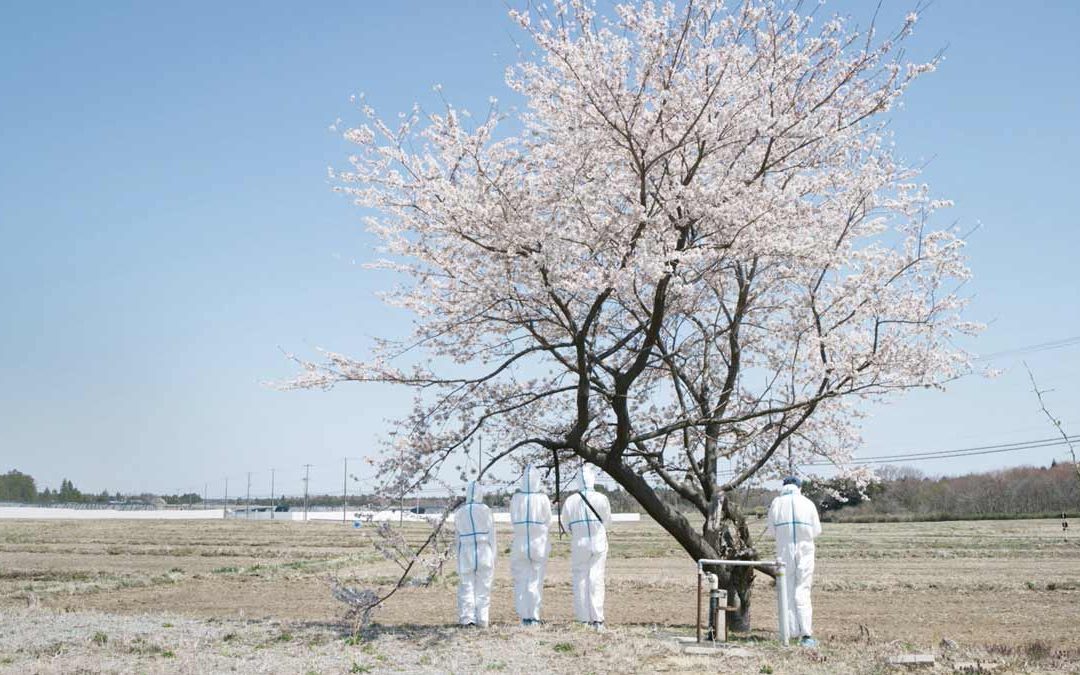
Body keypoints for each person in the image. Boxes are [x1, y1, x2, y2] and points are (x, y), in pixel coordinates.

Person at [766, 476, 822, 647]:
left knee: (786, 591)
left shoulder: (776, 503)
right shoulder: (808, 503)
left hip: (784, 551)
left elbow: (771, 531)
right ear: (799, 487)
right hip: (805, 550)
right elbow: (816, 530)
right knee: (802, 590)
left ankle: (788, 633)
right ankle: (806, 635)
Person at [559, 465, 612, 630]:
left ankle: (583, 620)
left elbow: (565, 524)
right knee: (596, 579)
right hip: (598, 541)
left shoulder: (570, 500)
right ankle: (598, 619)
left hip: (579, 542)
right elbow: (607, 521)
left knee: (580, 580)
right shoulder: (601, 498)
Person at [510, 463, 551, 626]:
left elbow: (513, 518)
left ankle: (523, 616)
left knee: (521, 580)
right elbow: (548, 520)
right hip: (538, 543)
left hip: (520, 543)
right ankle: (534, 616)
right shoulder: (542, 498)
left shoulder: (516, 498)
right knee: (535, 580)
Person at [454, 481, 496, 627]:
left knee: (467, 586)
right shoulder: (485, 510)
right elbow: (492, 536)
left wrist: (458, 559)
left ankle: (467, 618)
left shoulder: (460, 512)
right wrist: (493, 556)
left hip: (466, 552)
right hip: (484, 551)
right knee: (483, 586)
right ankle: (483, 619)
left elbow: (457, 539)